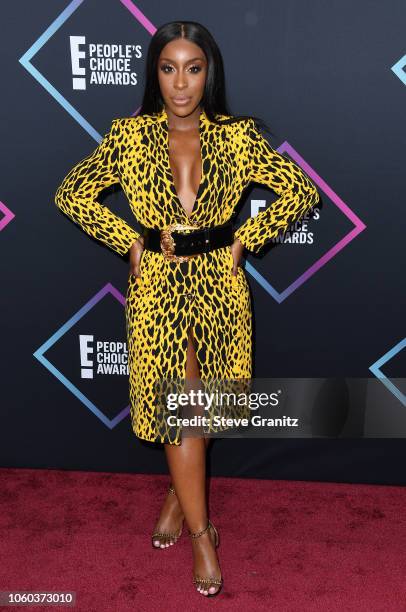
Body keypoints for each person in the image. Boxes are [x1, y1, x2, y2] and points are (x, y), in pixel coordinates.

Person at [54, 21, 319, 597]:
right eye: (168, 68)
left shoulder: (238, 137)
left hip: (219, 286)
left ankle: (179, 491)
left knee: (208, 402)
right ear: (154, 73)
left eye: (193, 68)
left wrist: (244, 241)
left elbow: (301, 192)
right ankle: (203, 533)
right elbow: (70, 193)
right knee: (180, 404)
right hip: (158, 287)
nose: (181, 83)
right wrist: (128, 240)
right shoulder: (128, 136)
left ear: (209, 73)